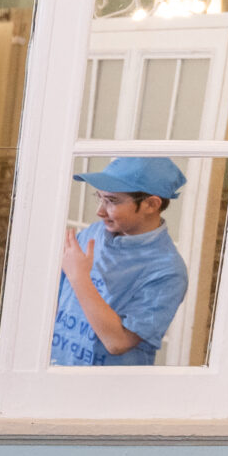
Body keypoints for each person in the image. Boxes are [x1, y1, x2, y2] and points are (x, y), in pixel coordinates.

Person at [52, 156, 191, 367]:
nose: (100, 212)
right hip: (58, 371)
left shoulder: (168, 271)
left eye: (112, 201)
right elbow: (56, 299)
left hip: (109, 385)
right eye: (99, 198)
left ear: (151, 204)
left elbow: (118, 342)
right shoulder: (93, 233)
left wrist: (79, 277)